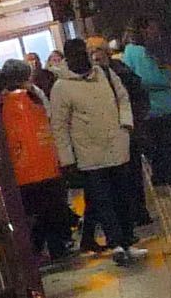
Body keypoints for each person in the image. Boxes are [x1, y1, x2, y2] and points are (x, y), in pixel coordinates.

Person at [49, 39, 146, 266]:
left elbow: (123, 98)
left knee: (123, 197)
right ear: (67, 58)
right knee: (104, 202)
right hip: (89, 157)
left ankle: (128, 240)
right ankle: (116, 245)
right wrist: (67, 161)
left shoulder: (106, 74)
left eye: (83, 53)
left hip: (116, 148)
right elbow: (60, 127)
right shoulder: (61, 88)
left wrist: (125, 126)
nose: (82, 58)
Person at [0, 63, 70, 269]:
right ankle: (53, 248)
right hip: (45, 163)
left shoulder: (1, 103)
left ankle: (36, 252)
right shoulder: (33, 96)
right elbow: (48, 119)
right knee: (50, 211)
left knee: (33, 215)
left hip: (22, 169)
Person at [114, 29, 171, 193]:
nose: (156, 33)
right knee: (168, 146)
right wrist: (170, 74)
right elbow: (148, 78)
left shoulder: (128, 54)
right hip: (158, 107)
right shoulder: (139, 52)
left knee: (157, 148)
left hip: (149, 110)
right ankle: (170, 181)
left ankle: (163, 181)